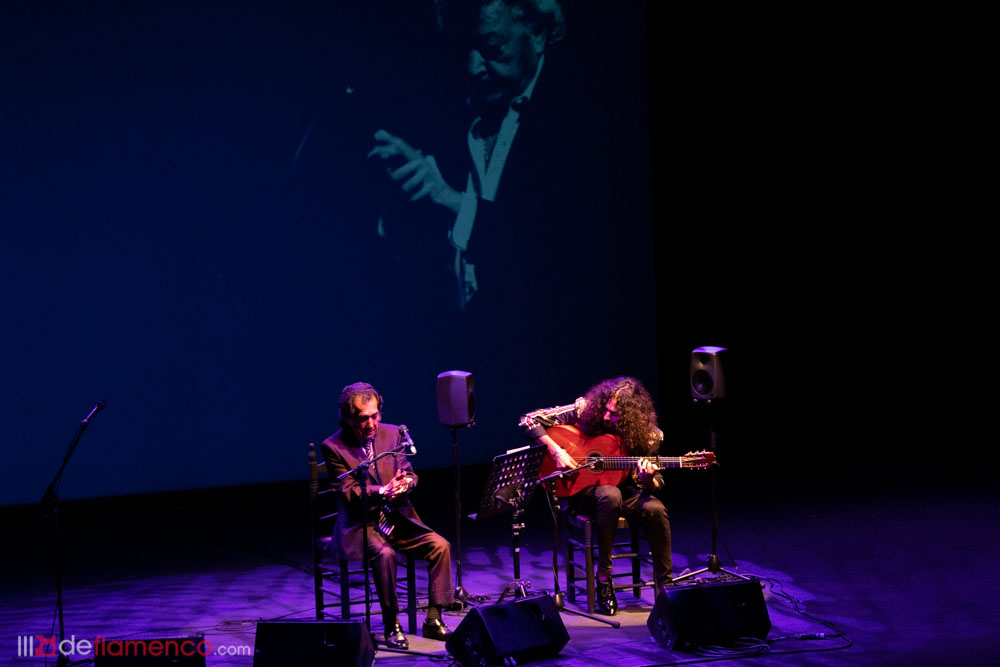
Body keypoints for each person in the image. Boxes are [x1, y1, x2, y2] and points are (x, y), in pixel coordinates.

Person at [519, 376, 671, 616]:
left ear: (631, 418)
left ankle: (667, 591)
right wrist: (557, 451)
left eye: (615, 414)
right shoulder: (585, 410)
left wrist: (645, 478)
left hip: (626, 492)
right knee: (609, 495)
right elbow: (529, 420)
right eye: (607, 410)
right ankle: (604, 577)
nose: (607, 417)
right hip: (585, 493)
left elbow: (657, 482)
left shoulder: (648, 436)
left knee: (657, 510)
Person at [322, 382, 455, 649]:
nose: (371, 423)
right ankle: (392, 623)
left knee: (441, 546)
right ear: (348, 418)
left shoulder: (393, 434)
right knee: (385, 555)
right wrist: (381, 491)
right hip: (362, 525)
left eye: (375, 415)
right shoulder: (334, 447)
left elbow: (408, 471)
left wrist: (406, 483)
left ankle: (433, 618)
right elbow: (347, 492)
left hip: (396, 519)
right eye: (363, 418)